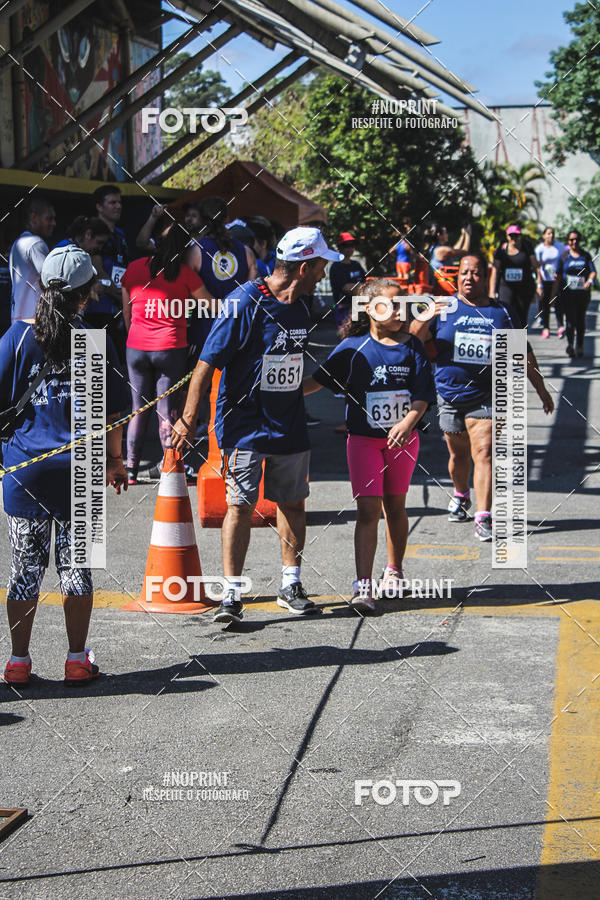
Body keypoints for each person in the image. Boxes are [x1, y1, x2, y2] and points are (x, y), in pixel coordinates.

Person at [171, 227, 343, 624]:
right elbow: (205, 364)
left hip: (290, 426)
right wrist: (189, 418)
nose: (323, 273)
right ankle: (232, 594)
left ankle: (290, 583)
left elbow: (290, 371)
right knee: (240, 505)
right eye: (320, 265)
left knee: (293, 502)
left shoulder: (301, 307)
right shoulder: (245, 301)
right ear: (303, 266)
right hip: (245, 426)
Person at [0, 244, 128, 686]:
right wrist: (115, 461)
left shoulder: (15, 338)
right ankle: (76, 659)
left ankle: (18, 662)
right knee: (77, 571)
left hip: (25, 471)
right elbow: (113, 413)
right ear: (87, 292)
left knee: (24, 572)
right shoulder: (96, 341)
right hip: (84, 469)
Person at [303, 278, 435, 613]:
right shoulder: (352, 347)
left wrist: (407, 423)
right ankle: (364, 587)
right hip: (363, 441)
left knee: (396, 507)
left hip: (404, 441)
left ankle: (394, 572)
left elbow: (422, 395)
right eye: (391, 303)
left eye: (402, 303)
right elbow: (315, 383)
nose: (399, 310)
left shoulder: (412, 346)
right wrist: (272, 388)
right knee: (367, 511)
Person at [410, 254, 554, 543]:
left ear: (485, 276)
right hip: (449, 394)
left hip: (488, 395)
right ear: (457, 276)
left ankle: (483, 516)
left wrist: (541, 389)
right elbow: (412, 341)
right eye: (463, 272)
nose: (468, 278)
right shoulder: (445, 307)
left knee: (484, 453)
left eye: (475, 273)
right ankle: (462, 495)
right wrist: (425, 317)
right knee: (458, 455)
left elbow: (523, 353)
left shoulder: (502, 312)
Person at [121, 223, 210, 484]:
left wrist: (134, 335)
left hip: (136, 347)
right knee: (166, 411)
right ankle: (171, 467)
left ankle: (131, 470)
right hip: (171, 348)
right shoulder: (184, 274)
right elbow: (211, 304)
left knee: (138, 409)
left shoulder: (134, 267)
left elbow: (126, 309)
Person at [187, 197, 258, 365]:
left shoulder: (194, 252)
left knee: (199, 387)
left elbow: (187, 295)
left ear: (202, 220)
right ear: (227, 219)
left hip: (203, 331)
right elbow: (251, 294)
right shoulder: (247, 252)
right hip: (237, 331)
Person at [86, 184, 129, 359]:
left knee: (118, 365)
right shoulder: (91, 233)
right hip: (96, 309)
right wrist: (119, 295)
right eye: (112, 202)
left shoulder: (120, 234)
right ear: (99, 206)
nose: (118, 206)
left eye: (119, 202)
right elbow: (97, 269)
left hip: (118, 310)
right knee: (91, 372)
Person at [9, 195, 55, 323]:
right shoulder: (36, 243)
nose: (53, 223)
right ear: (34, 217)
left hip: (18, 322)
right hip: (35, 323)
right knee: (98, 341)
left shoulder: (18, 243)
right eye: (49, 218)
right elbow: (51, 281)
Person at [557, 229, 596, 358]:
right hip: (568, 293)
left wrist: (589, 281)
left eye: (576, 239)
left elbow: (592, 271)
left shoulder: (585, 255)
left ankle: (579, 345)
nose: (574, 242)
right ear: (568, 241)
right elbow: (557, 274)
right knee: (570, 320)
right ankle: (570, 345)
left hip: (582, 294)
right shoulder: (564, 256)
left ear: (580, 241)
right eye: (571, 240)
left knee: (580, 319)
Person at [490, 224, 537, 328]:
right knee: (505, 314)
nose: (514, 238)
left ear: (520, 236)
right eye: (511, 236)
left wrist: (538, 284)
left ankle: (518, 343)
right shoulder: (501, 250)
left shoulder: (527, 247)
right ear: (507, 237)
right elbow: (495, 270)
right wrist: (492, 291)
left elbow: (535, 266)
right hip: (506, 288)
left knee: (521, 317)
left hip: (524, 288)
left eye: (516, 235)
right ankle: (506, 342)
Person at [329, 232, 367, 333]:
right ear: (339, 248)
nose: (350, 248)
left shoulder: (356, 264)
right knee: (346, 336)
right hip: (344, 310)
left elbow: (365, 284)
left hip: (359, 307)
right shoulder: (336, 267)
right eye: (346, 245)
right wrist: (362, 288)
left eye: (352, 245)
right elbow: (347, 288)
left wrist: (360, 288)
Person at [535, 226, 566, 339]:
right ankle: (546, 328)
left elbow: (564, 260)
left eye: (552, 233)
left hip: (557, 279)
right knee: (545, 305)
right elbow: (537, 267)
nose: (551, 235)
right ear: (544, 236)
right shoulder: (539, 249)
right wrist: (539, 284)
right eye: (548, 233)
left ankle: (560, 327)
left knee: (558, 303)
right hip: (545, 280)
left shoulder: (560, 247)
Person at [427, 223, 470, 294]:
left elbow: (454, 250)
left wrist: (463, 235)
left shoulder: (435, 247)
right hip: (442, 288)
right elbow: (464, 252)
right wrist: (468, 235)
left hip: (439, 286)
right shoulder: (441, 250)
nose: (447, 235)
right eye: (445, 233)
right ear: (439, 235)